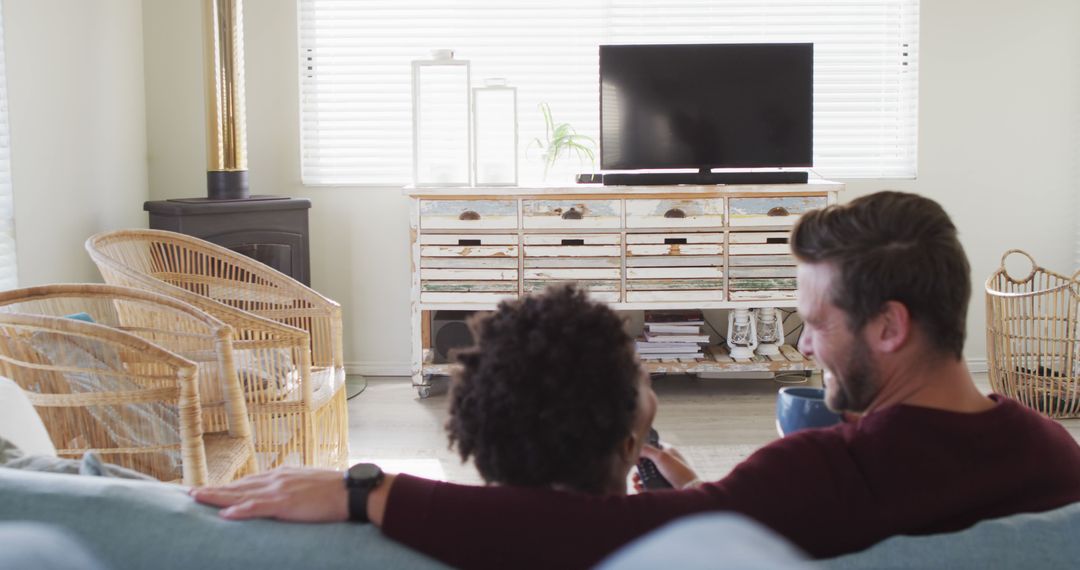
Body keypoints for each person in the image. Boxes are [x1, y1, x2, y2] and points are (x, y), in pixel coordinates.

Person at [192, 191, 1080, 570]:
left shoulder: (828, 474)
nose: (806, 347)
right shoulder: (1052, 455)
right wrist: (719, 498)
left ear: (890, 326)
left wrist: (369, 493)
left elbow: (594, 536)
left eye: (815, 323)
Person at [445, 283, 657, 495]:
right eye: (641, 375)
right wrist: (687, 489)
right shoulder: (676, 520)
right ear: (628, 446)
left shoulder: (459, 522)